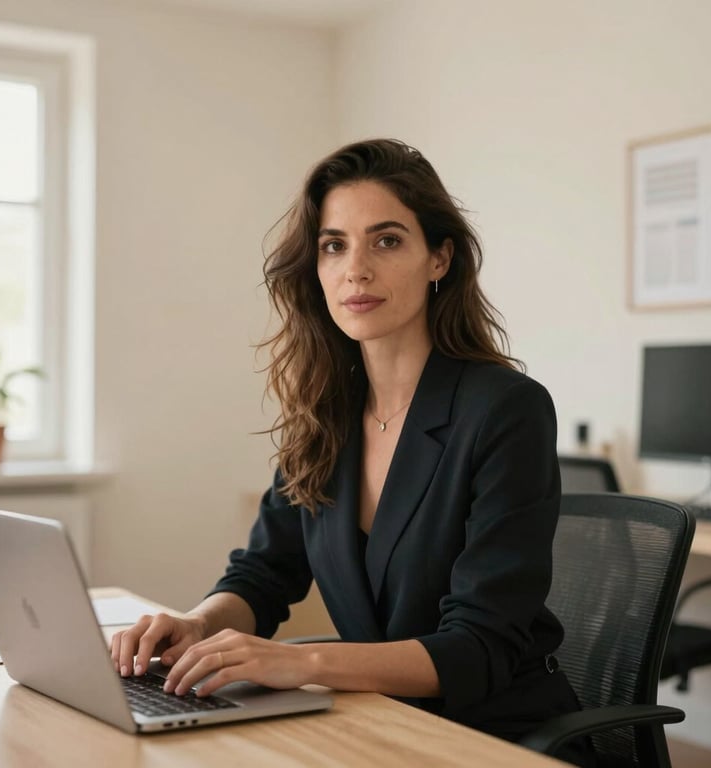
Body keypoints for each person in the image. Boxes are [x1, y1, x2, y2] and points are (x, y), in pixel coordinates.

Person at [111, 138, 591, 765]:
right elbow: (264, 572)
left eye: (386, 240)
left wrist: (300, 661)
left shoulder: (505, 408)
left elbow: (478, 646)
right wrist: (200, 625)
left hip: (492, 734)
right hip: (373, 721)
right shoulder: (327, 410)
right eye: (334, 245)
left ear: (439, 258)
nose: (355, 269)